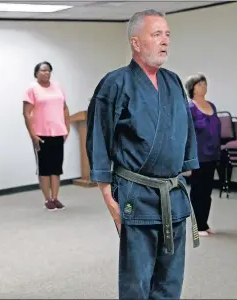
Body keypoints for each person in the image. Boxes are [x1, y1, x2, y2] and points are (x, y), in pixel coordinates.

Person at [86, 9, 201, 299]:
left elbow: (186, 129)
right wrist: (106, 194)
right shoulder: (115, 83)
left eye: (167, 35)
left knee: (170, 279)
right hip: (136, 195)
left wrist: (186, 171)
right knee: (137, 280)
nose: (165, 41)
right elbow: (99, 137)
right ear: (136, 43)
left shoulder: (174, 81)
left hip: (173, 196)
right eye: (156, 34)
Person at [23, 61, 70, 211]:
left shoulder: (57, 87)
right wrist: (32, 134)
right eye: (43, 70)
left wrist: (66, 128)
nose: (46, 73)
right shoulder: (32, 89)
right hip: (41, 134)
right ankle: (47, 199)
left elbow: (64, 108)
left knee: (56, 168)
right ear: (36, 73)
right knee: (44, 168)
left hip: (58, 133)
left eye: (48, 70)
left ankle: (55, 198)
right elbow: (26, 113)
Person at [185, 74, 221, 236]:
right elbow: (184, 134)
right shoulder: (189, 108)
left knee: (207, 191)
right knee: (197, 191)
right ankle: (196, 227)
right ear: (192, 88)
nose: (203, 86)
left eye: (204, 83)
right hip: (197, 156)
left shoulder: (212, 105)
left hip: (212, 155)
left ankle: (204, 223)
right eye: (199, 84)